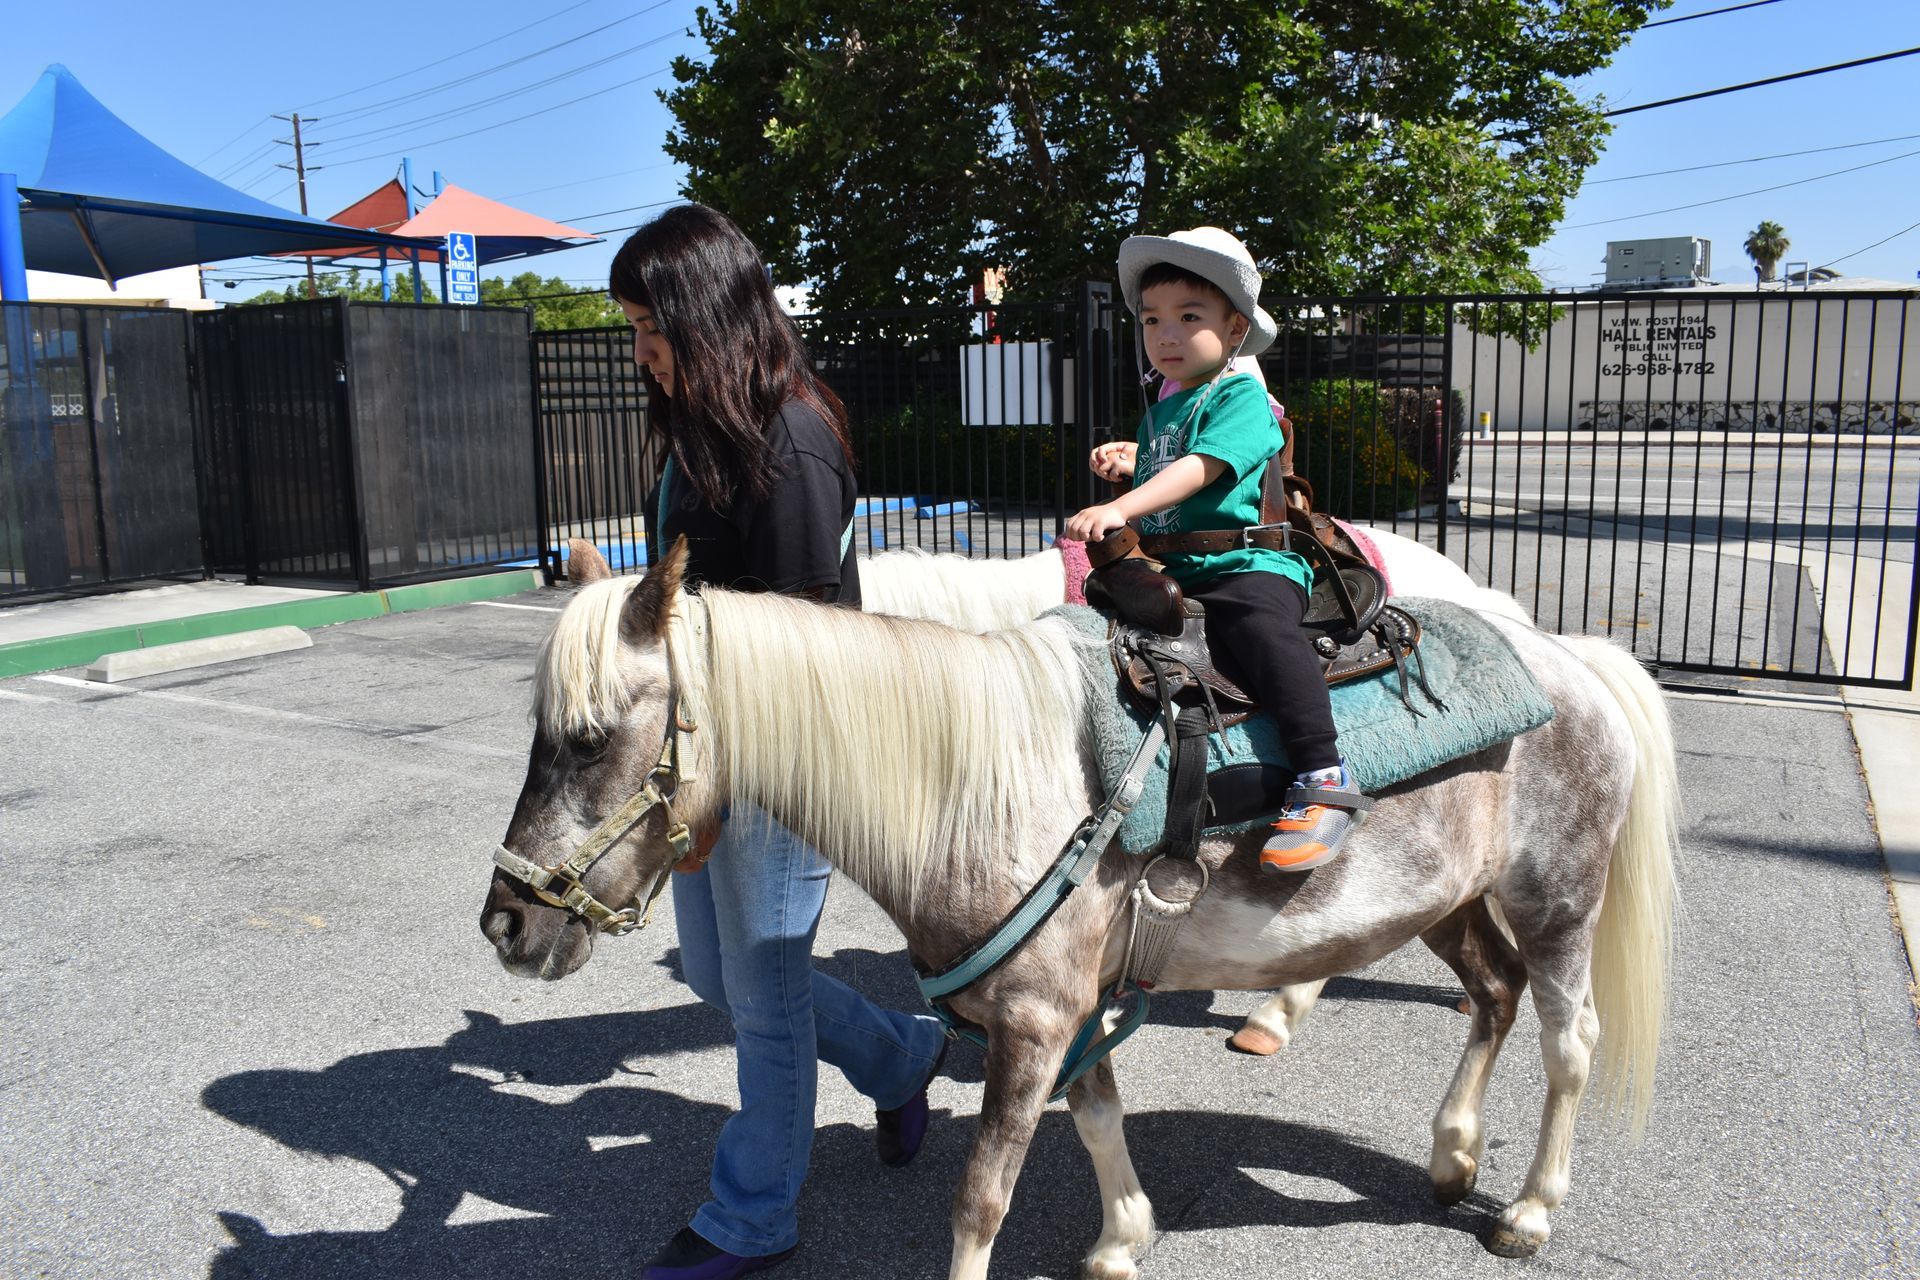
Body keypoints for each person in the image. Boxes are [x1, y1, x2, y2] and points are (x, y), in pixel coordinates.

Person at [612, 203, 948, 1280]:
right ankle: (902, 1056)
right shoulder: (702, 429)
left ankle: (751, 1214)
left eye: (647, 325)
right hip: (707, 745)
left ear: (702, 312)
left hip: (775, 761)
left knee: (760, 995)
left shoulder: (790, 440)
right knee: (722, 974)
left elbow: (802, 644)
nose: (640, 351)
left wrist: (708, 793)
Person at [1064, 225, 1370, 872]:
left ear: (1235, 331)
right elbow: (1169, 471)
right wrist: (1133, 461)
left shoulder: (1240, 395)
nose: (1165, 334)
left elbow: (1203, 467)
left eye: (1188, 317)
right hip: (1176, 564)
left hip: (1244, 563)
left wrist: (1121, 504)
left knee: (1257, 624)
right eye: (1151, 320)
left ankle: (1324, 774)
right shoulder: (1162, 412)